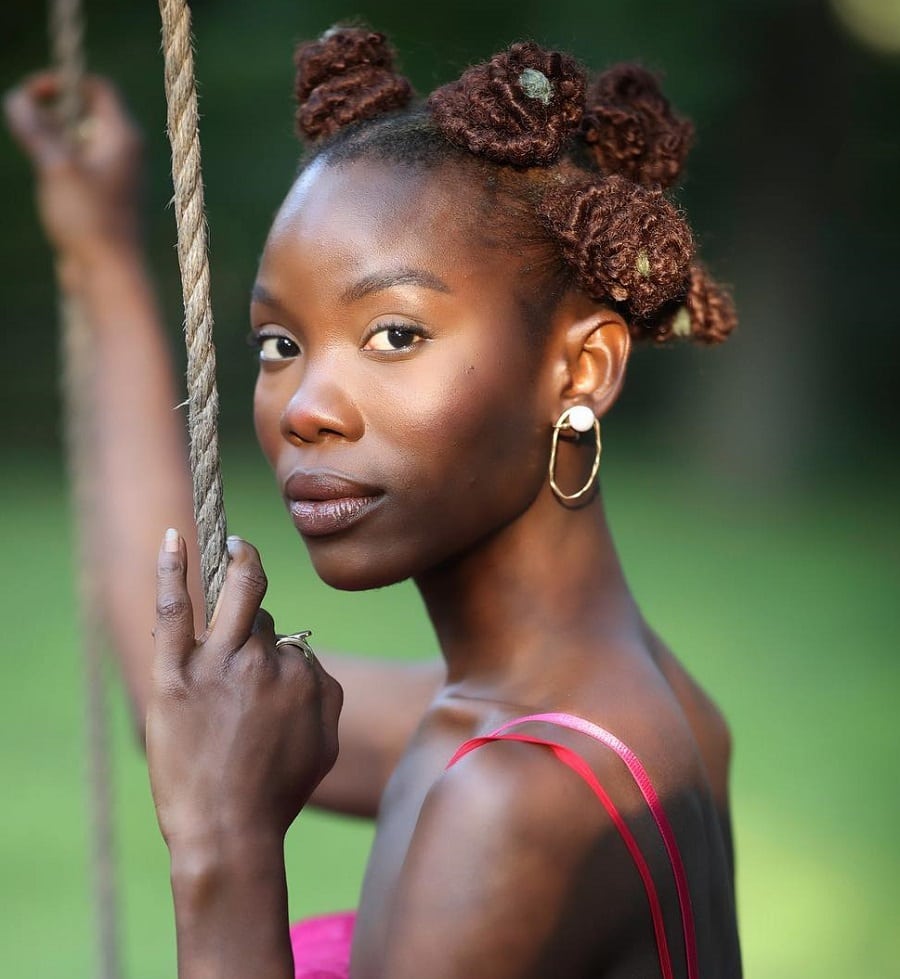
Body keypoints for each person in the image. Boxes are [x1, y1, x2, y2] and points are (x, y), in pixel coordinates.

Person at [6, 27, 742, 978]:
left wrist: (223, 850)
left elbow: (200, 753)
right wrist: (101, 257)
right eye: (279, 345)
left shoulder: (520, 799)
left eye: (394, 333)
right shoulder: (573, 706)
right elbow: (181, 692)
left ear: (581, 367)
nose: (305, 409)